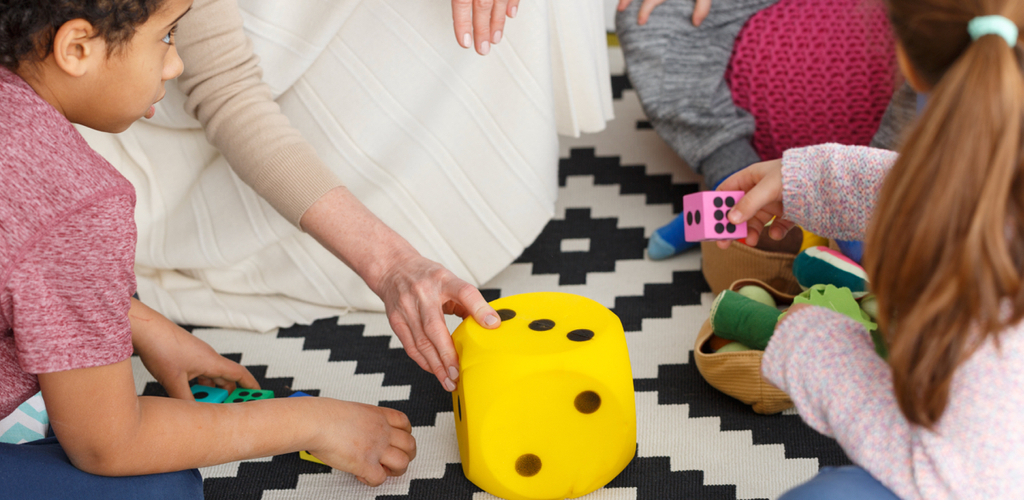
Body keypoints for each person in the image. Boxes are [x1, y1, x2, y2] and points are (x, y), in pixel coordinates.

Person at [0, 0, 415, 495]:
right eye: (166, 37)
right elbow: (109, 444)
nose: (175, 64)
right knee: (161, 485)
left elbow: (20, 255)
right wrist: (312, 421)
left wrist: (144, 324)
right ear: (77, 47)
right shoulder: (78, 200)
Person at [718, 1, 1024, 497]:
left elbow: (962, 481)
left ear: (906, 62)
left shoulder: (989, 298)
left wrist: (821, 352)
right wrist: (811, 179)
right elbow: (965, 186)